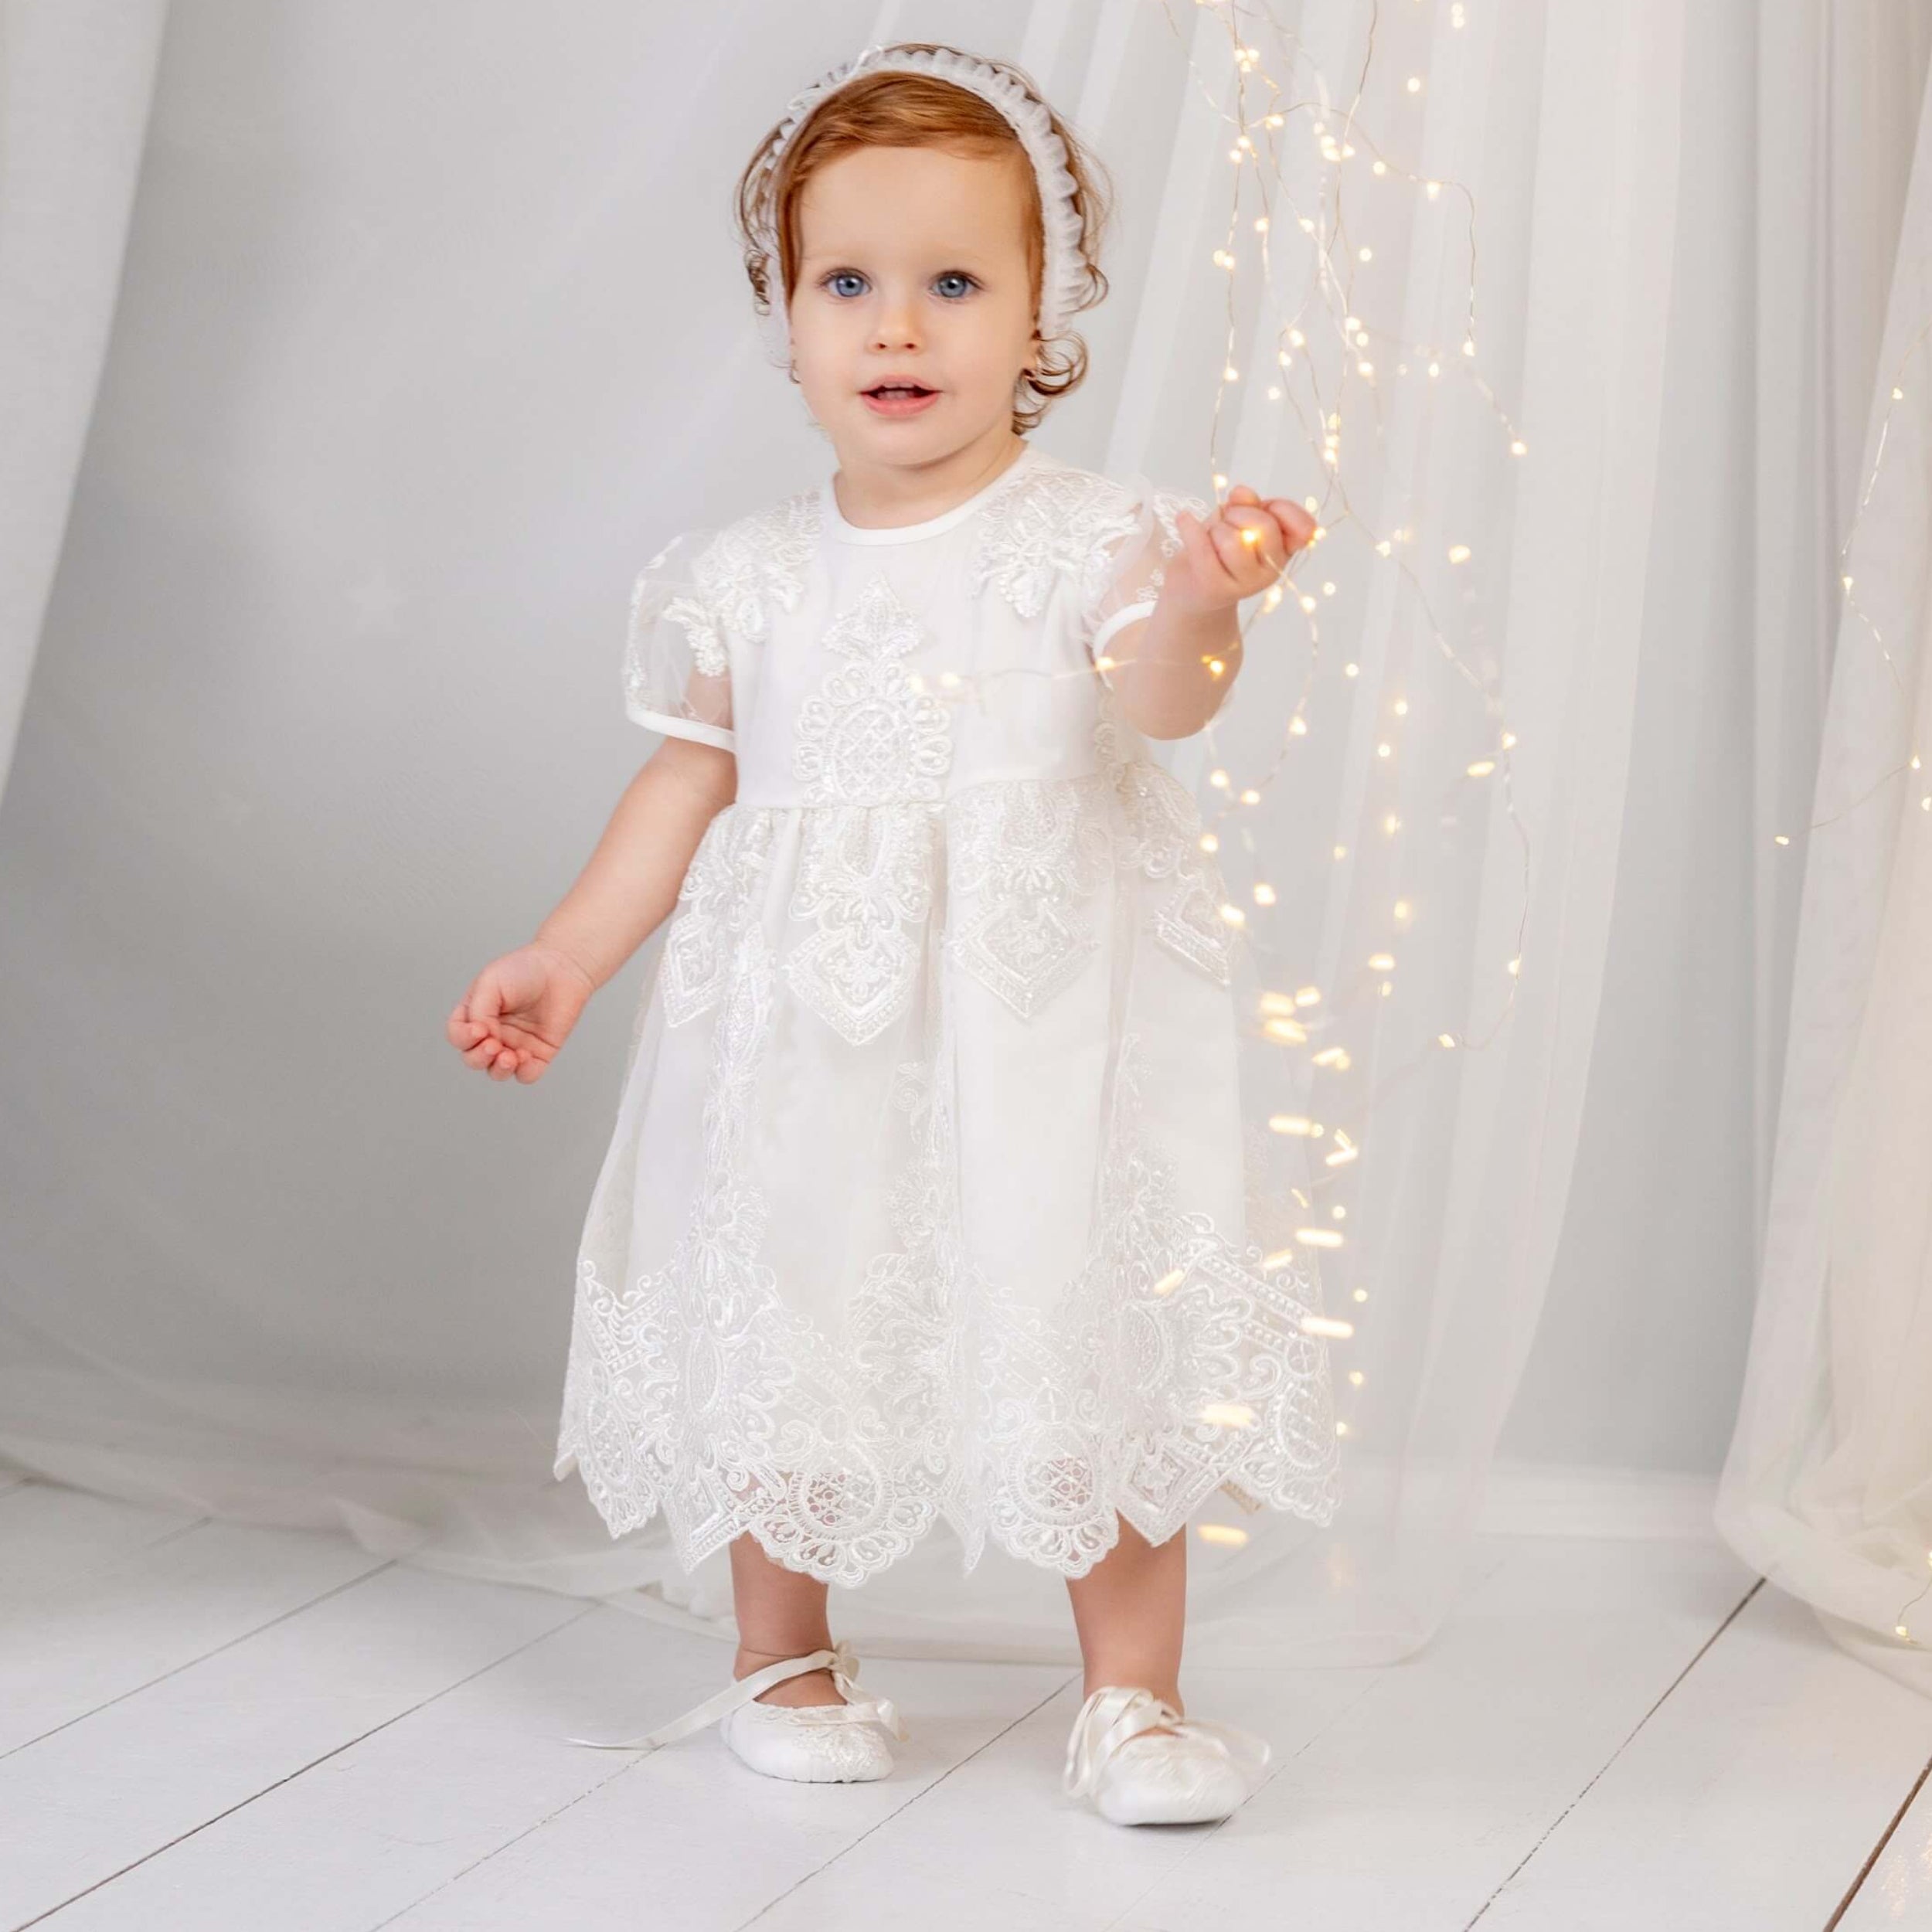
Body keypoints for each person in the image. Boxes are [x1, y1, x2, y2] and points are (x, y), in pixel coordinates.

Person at [447, 40, 1338, 1827]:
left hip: (1043, 1021)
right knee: (797, 1301)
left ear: (1041, 315)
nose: (897, 325)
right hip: (805, 1030)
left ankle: (1134, 1696)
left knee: (1088, 1309)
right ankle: (779, 1651)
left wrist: (1198, 600)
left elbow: (1162, 704)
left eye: (953, 282)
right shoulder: (745, 574)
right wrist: (565, 952)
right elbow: (682, 791)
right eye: (844, 283)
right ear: (785, 321)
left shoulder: (1091, 538)